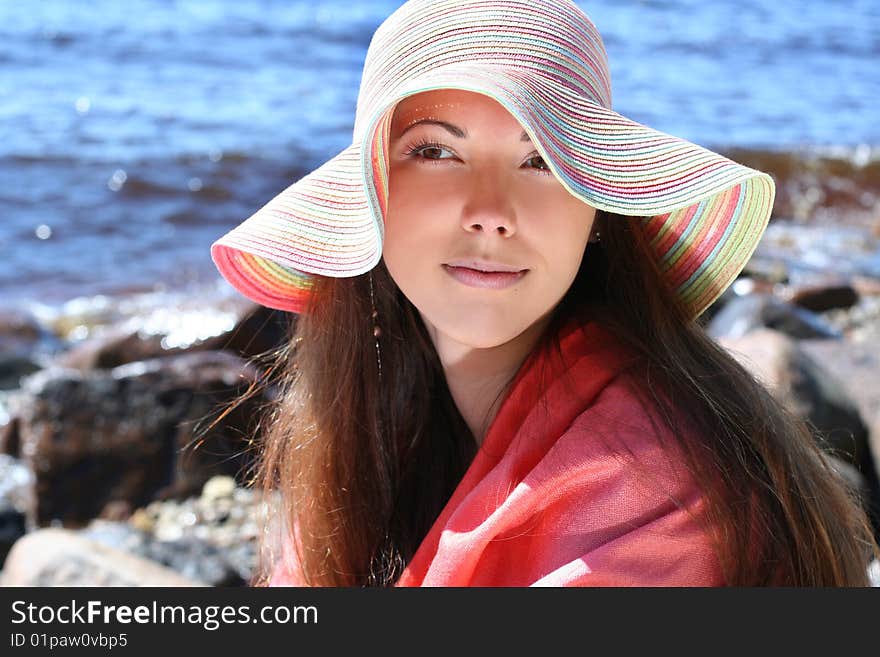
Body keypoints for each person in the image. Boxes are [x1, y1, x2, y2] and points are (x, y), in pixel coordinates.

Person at [210, 0, 879, 586]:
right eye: (436, 152)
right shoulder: (367, 430)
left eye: (540, 160)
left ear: (596, 213)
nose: (491, 211)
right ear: (373, 198)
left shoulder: (647, 480)